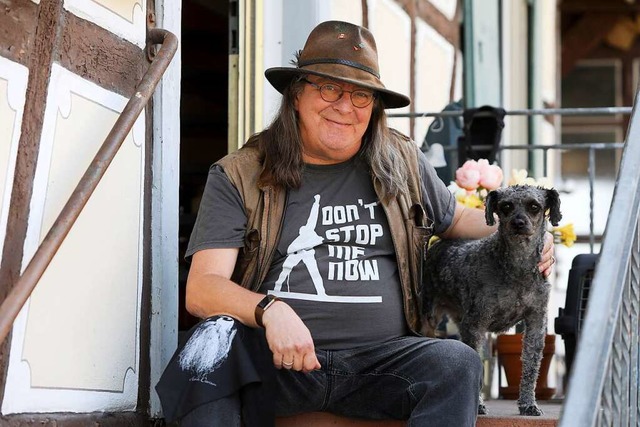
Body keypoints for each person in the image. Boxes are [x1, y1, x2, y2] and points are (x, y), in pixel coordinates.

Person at [159, 20, 555, 427]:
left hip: (383, 365)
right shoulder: (239, 174)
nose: (345, 106)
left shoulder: (402, 162)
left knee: (457, 361)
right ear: (297, 94)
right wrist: (270, 310)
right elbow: (203, 289)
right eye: (329, 88)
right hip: (278, 364)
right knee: (206, 350)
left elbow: (454, 218)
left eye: (361, 95)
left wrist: (531, 236)